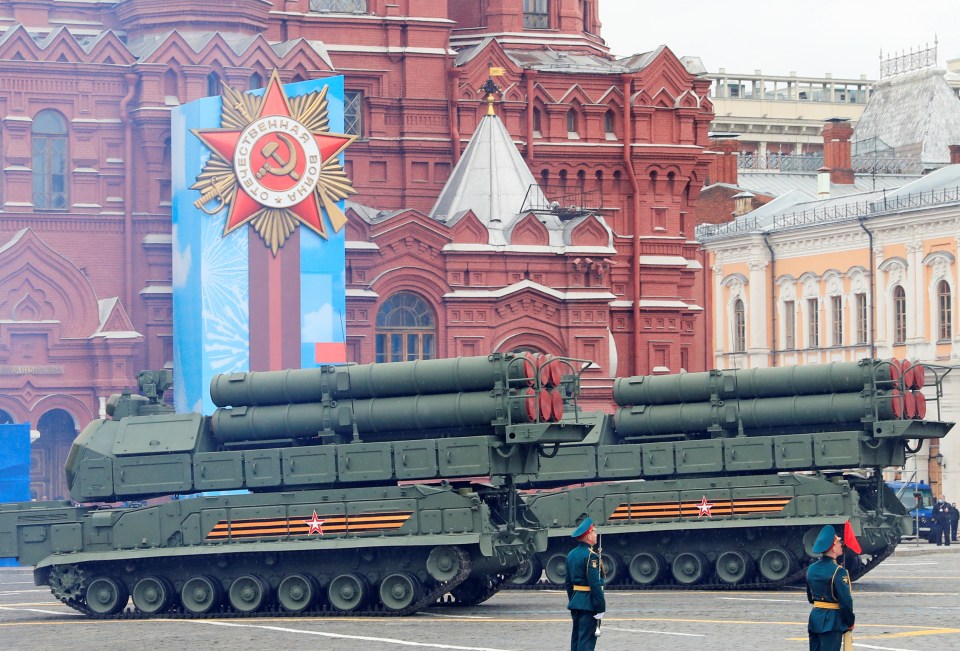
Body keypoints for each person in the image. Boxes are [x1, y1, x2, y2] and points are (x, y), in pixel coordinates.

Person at [806, 525, 855, 651]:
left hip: (815, 618)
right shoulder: (839, 571)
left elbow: (810, 597)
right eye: (838, 542)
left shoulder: (811, 569)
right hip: (832, 621)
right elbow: (846, 602)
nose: (841, 544)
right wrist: (849, 622)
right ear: (833, 548)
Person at [565, 517, 605, 651]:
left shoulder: (571, 554)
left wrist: (574, 600)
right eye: (594, 531)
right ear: (588, 537)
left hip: (576, 602)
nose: (596, 534)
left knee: (576, 641)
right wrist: (600, 607)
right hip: (589, 605)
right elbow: (595, 584)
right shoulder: (591, 556)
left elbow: (568, 583)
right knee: (586, 643)